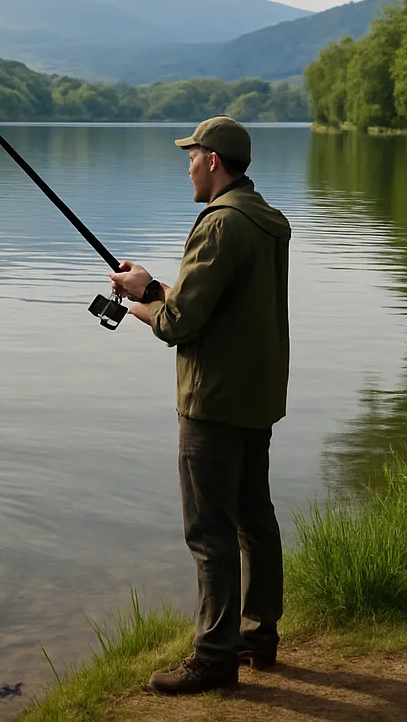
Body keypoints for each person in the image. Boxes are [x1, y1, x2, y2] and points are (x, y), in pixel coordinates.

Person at [108, 116, 292, 696]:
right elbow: (210, 303)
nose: (187, 164)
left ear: (212, 161)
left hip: (211, 401)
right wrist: (154, 285)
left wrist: (139, 306)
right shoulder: (266, 220)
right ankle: (258, 637)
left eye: (192, 156)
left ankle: (214, 658)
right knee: (253, 519)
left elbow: (180, 324)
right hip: (255, 395)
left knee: (209, 531)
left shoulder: (216, 225)